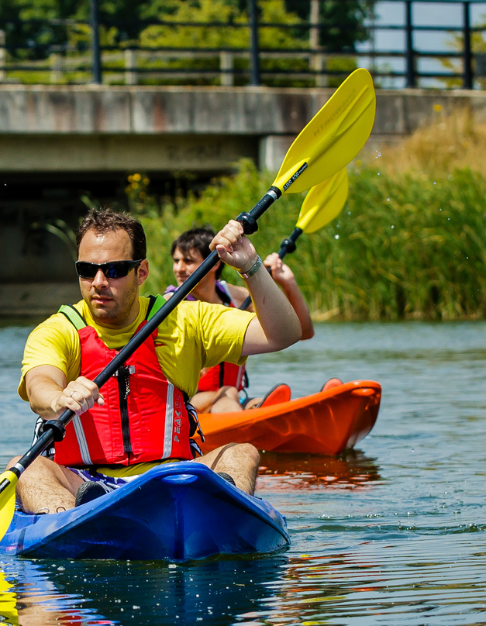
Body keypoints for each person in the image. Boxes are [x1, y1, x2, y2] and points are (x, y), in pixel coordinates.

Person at [15, 209, 303, 514]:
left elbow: (283, 334)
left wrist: (251, 266)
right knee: (27, 468)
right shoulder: (59, 329)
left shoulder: (182, 318)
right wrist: (59, 397)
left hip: (170, 478)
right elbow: (38, 385)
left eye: (114, 270)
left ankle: (215, 516)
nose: (98, 282)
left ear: (141, 272)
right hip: (82, 483)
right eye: (87, 270)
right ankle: (73, 522)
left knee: (241, 453)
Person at [166, 227, 316, 413]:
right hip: (188, 402)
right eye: (176, 261)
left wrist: (288, 284)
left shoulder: (236, 296)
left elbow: (303, 332)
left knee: (261, 402)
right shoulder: (170, 304)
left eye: (188, 261)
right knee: (227, 393)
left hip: (236, 398)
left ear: (213, 264)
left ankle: (281, 412)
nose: (179, 268)